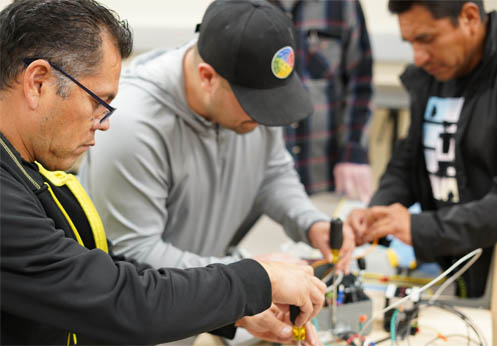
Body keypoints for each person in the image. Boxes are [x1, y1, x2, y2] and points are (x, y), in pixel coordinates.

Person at [0, 0, 327, 344]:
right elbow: (120, 300)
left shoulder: (29, 172)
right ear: (38, 83)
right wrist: (257, 279)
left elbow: (112, 273)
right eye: (99, 102)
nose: (104, 123)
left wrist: (233, 312)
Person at [79, 0, 354, 342]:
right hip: (131, 329)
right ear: (207, 77)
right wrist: (252, 277)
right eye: (256, 108)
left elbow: (273, 171)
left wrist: (311, 223)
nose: (263, 119)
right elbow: (136, 254)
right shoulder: (132, 125)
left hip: (202, 312)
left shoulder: (251, 94)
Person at [347, 0, 497, 297]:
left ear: (469, 18)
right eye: (411, 42)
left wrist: (420, 228)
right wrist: (380, 208)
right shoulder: (434, 76)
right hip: (459, 267)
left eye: (426, 39)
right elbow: (410, 158)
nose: (418, 57)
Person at [269, 0, 374, 202]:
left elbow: (361, 83)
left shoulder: (343, 5)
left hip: (325, 175)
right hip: (261, 178)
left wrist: (354, 151)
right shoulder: (241, 5)